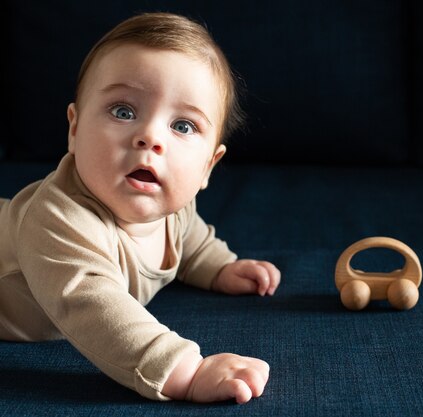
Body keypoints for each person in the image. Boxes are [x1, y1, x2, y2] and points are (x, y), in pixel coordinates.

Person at [0, 12, 281, 404]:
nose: (149, 137)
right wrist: (186, 371)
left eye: (183, 126)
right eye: (123, 112)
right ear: (75, 129)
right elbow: (94, 308)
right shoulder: (56, 219)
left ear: (207, 167)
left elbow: (190, 237)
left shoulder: (172, 207)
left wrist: (217, 265)